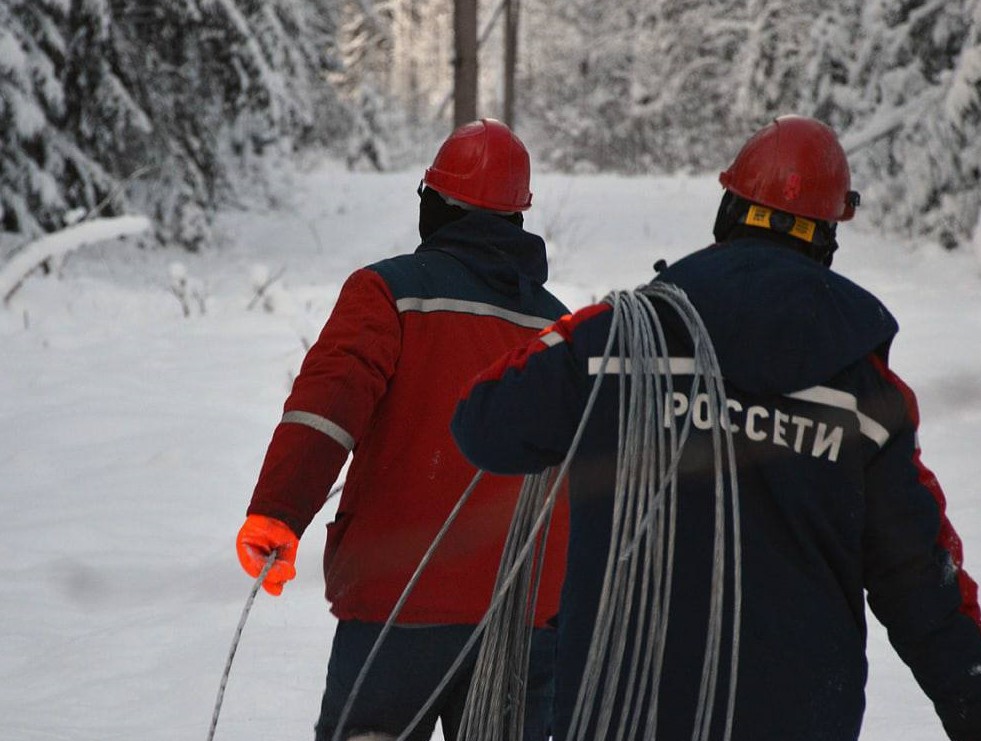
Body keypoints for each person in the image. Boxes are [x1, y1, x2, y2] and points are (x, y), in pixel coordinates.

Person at [450, 115, 981, 740]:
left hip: (624, 713)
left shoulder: (617, 341)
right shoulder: (867, 397)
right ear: (827, 235)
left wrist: (583, 336)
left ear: (730, 209)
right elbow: (924, 579)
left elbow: (483, 420)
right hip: (797, 716)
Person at [235, 118, 570, 741]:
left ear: (436, 204)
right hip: (523, 617)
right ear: (517, 218)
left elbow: (325, 408)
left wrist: (277, 514)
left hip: (399, 605)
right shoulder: (559, 330)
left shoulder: (386, 293)